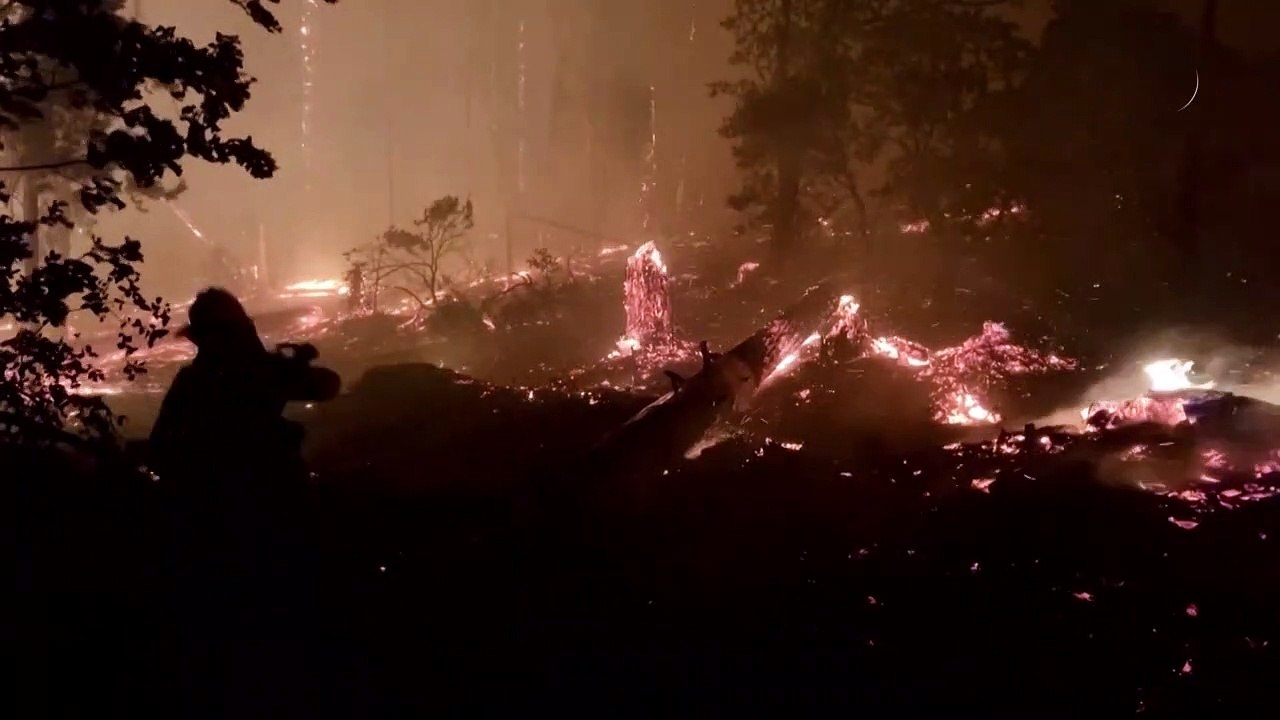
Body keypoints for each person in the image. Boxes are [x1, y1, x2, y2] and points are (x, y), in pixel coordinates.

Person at [148, 287, 339, 717]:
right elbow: (327, 385)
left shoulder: (194, 382)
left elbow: (161, 447)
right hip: (267, 514)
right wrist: (293, 367)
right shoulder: (256, 373)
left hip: (209, 524)